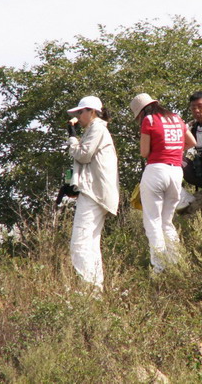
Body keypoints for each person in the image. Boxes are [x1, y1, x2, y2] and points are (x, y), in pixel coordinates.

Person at [130, 93, 196, 272]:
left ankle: (159, 268)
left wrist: (159, 149)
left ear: (141, 112)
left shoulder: (149, 120)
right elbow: (192, 142)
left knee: (152, 221)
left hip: (156, 171)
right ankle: (177, 263)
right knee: (167, 222)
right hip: (176, 172)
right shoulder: (176, 118)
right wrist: (174, 150)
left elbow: (144, 152)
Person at [67, 95, 119, 292]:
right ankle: (95, 290)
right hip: (95, 192)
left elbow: (83, 155)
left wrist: (72, 137)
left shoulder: (97, 128)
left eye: (81, 112)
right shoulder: (94, 130)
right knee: (90, 243)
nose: (79, 116)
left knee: (79, 242)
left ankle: (87, 290)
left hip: (94, 193)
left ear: (92, 112)